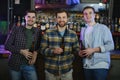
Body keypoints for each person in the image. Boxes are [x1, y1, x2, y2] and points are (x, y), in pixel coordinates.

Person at [40, 9, 80, 80]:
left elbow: (76, 50)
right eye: (59, 17)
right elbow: (42, 50)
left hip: (67, 70)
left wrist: (72, 56)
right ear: (56, 19)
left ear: (67, 19)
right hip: (51, 70)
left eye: (64, 17)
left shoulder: (73, 34)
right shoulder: (48, 32)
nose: (61, 19)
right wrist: (53, 51)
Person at [79, 6, 114, 80]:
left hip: (100, 64)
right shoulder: (83, 29)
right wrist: (80, 52)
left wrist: (93, 50)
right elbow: (82, 45)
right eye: (85, 14)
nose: (88, 15)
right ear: (83, 16)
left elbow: (111, 45)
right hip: (86, 64)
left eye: (90, 13)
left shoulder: (103, 28)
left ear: (94, 15)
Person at [5, 10, 41, 80]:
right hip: (15, 64)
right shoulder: (16, 29)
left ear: (35, 19)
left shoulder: (37, 31)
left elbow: (38, 46)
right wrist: (21, 51)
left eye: (33, 17)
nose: (31, 19)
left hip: (29, 64)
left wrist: (35, 55)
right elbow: (7, 45)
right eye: (29, 17)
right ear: (25, 18)